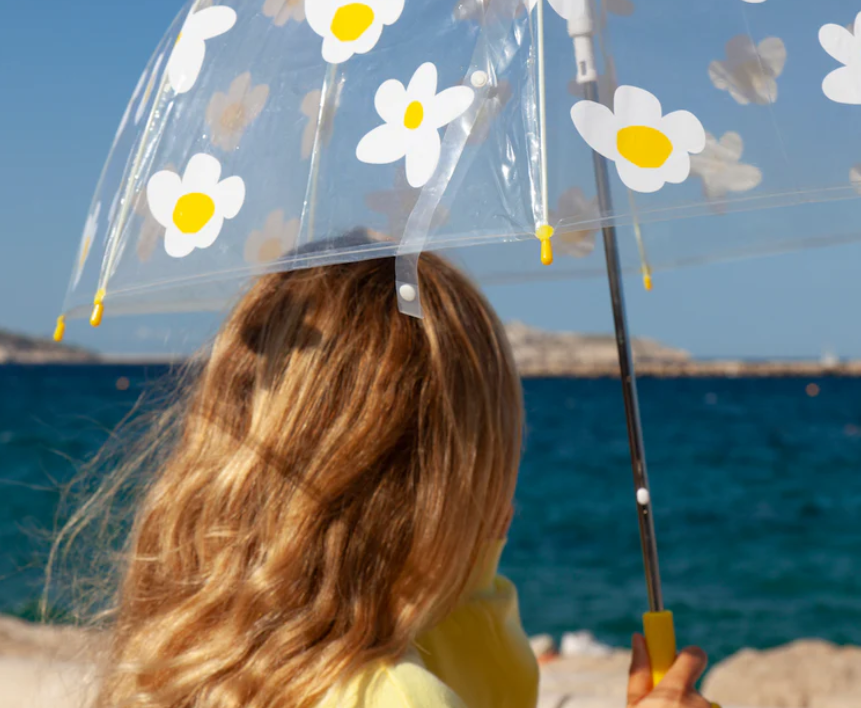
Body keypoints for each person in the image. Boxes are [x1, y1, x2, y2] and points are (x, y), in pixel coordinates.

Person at [57, 252, 712, 708]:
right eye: (487, 466)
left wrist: (467, 549)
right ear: (433, 492)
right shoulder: (398, 698)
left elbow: (448, 640)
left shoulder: (217, 663)